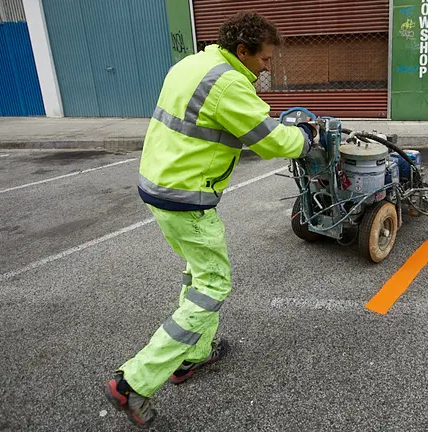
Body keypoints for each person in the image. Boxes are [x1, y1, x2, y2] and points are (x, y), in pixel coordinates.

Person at [103, 11, 317, 428]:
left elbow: (229, 117)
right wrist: (306, 138)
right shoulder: (228, 84)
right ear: (243, 50)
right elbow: (272, 141)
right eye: (264, 58)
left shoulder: (194, 63)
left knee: (197, 274)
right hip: (186, 199)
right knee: (213, 286)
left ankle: (193, 356)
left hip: (157, 187)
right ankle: (133, 382)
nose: (266, 66)